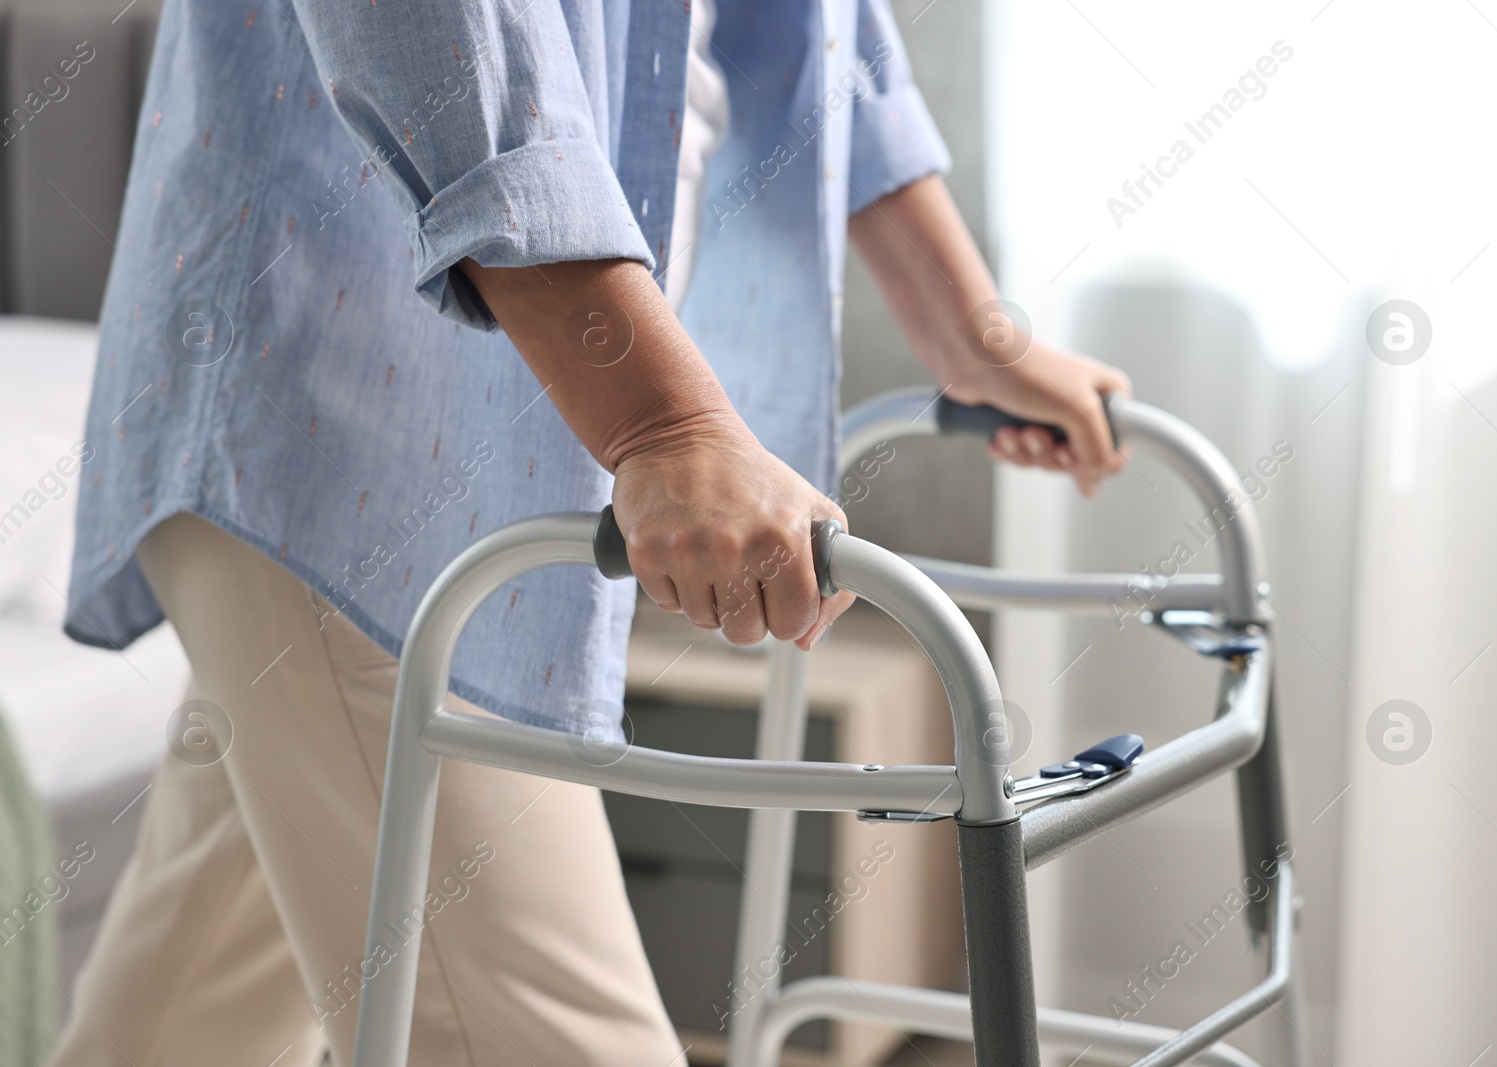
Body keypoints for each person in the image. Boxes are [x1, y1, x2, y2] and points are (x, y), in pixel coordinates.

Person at [53, 0, 1130, 1063]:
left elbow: (803, 27)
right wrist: (666, 421)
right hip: (332, 438)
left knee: (178, 1020)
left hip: (478, 437)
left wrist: (969, 326)